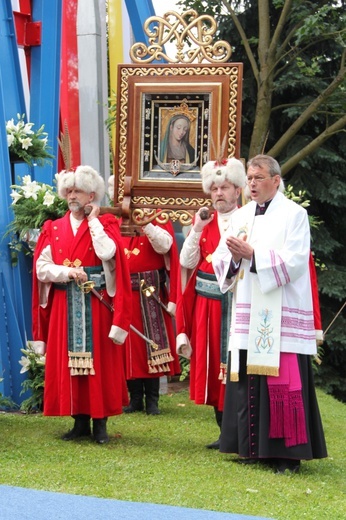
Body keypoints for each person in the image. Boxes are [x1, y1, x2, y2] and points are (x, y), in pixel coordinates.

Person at [212, 154, 327, 473]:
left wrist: (253, 255)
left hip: (281, 312)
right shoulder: (241, 215)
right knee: (248, 377)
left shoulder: (295, 215)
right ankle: (250, 448)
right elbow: (221, 256)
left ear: (276, 180)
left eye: (258, 178)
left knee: (281, 379)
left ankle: (286, 455)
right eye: (248, 178)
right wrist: (234, 260)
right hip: (249, 308)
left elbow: (294, 261)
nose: (251, 184)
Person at [32, 165, 132, 444]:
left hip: (97, 303)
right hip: (65, 303)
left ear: (92, 196)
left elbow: (108, 253)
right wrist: (66, 273)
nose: (72, 195)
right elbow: (41, 267)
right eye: (69, 190)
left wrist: (95, 221)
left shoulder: (106, 225)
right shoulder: (53, 228)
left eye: (78, 191)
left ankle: (101, 424)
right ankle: (79, 422)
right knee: (69, 363)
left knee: (100, 363)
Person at [176, 158, 246, 449]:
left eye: (225, 187)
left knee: (235, 367)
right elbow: (186, 262)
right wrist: (196, 230)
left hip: (237, 304)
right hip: (207, 304)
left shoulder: (249, 219)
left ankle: (240, 433)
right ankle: (223, 432)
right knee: (212, 368)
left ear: (238, 189)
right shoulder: (204, 222)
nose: (219, 193)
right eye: (214, 188)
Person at [108, 176, 181, 415]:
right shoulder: (113, 220)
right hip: (124, 292)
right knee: (128, 345)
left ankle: (152, 400)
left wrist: (146, 222)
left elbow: (165, 246)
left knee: (152, 344)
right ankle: (134, 398)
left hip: (150, 290)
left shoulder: (158, 215)